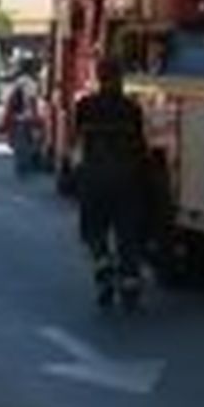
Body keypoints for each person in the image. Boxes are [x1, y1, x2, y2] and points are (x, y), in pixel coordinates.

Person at [75, 59, 148, 310]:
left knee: (94, 231)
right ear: (120, 78)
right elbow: (140, 146)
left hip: (94, 178)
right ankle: (130, 287)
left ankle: (104, 270)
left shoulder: (85, 106)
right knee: (127, 233)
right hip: (126, 179)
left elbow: (77, 139)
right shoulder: (131, 108)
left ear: (98, 77)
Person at [4, 64, 42, 176]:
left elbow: (10, 101)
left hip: (17, 117)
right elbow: (32, 100)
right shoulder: (30, 83)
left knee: (19, 143)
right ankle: (25, 166)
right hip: (27, 116)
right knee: (28, 141)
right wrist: (35, 115)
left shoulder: (17, 83)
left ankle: (20, 165)